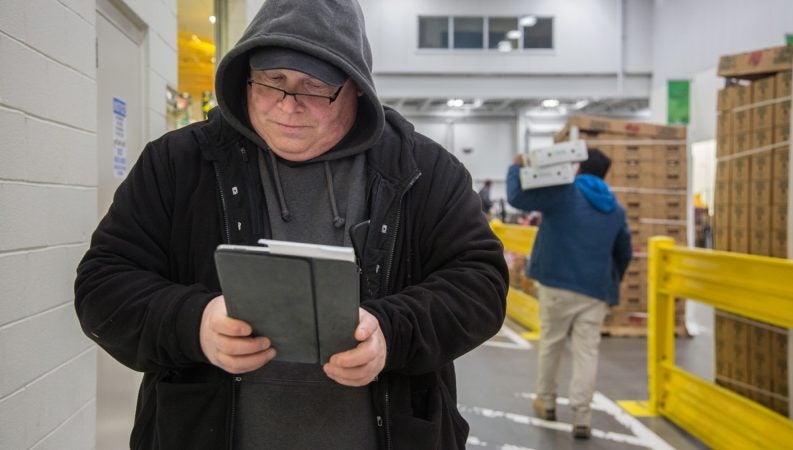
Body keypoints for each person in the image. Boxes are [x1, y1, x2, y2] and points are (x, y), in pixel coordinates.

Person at [74, 1, 508, 449]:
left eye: (314, 88)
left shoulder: (422, 170)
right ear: (246, 74)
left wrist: (390, 333)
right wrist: (195, 324)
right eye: (272, 81)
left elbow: (480, 284)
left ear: (355, 88)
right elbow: (103, 284)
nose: (287, 106)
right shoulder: (178, 164)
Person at [506, 149, 632, 439]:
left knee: (551, 344)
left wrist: (516, 168)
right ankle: (582, 418)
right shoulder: (615, 209)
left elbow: (517, 198)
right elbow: (623, 252)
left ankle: (547, 402)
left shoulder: (565, 194)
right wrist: (611, 281)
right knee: (587, 352)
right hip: (595, 291)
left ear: (577, 168)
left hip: (556, 285)